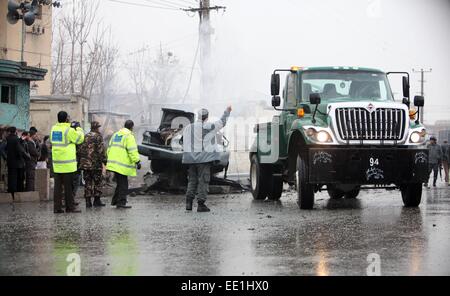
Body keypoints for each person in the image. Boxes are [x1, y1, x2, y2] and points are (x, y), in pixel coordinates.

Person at [182, 106, 232, 212]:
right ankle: (201, 204)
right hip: (203, 160)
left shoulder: (188, 128)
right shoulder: (208, 126)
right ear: (207, 117)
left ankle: (188, 203)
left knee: (192, 180)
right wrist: (227, 111)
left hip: (190, 160)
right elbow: (222, 122)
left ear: (198, 116)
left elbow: (183, 141)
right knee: (203, 181)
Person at [50, 111, 84, 213]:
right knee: (68, 187)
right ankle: (70, 207)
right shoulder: (68, 130)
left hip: (57, 163)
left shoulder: (53, 129)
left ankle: (57, 208)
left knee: (58, 187)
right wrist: (78, 128)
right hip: (67, 164)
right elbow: (80, 139)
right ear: (66, 119)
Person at [106, 120, 140, 209]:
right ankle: (121, 203)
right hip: (122, 164)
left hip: (114, 163)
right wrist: (137, 161)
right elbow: (132, 150)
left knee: (120, 183)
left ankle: (115, 201)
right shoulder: (129, 136)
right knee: (123, 185)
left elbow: (109, 148)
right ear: (132, 127)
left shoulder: (116, 134)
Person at [79, 121, 107, 208]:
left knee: (88, 182)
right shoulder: (98, 137)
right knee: (97, 182)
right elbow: (101, 150)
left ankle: (88, 202)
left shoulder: (85, 136)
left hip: (85, 164)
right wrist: (104, 160)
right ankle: (96, 200)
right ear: (97, 128)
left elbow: (80, 150)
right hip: (95, 164)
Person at [5, 127, 29, 200]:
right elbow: (19, 150)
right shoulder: (16, 139)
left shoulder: (8, 139)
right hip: (16, 162)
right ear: (15, 131)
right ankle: (14, 194)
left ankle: (10, 192)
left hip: (10, 162)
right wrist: (27, 156)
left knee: (11, 177)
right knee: (16, 178)